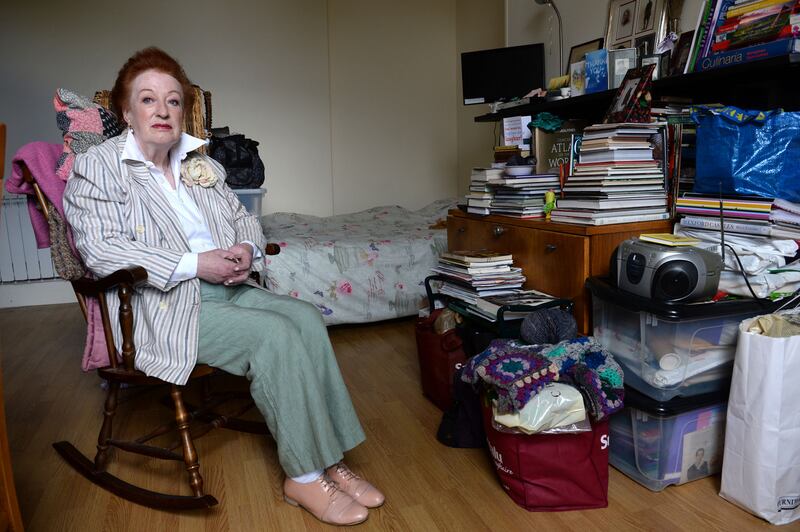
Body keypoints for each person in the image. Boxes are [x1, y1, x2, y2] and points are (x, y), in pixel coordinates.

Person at [63, 47, 384, 526]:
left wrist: (246, 252)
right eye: (148, 100)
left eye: (173, 101)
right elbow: (104, 251)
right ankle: (304, 476)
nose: (163, 110)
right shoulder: (100, 168)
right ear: (126, 112)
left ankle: (329, 457)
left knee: (305, 318)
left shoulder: (200, 164)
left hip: (225, 287)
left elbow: (243, 220)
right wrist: (198, 263)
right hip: (162, 305)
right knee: (273, 336)